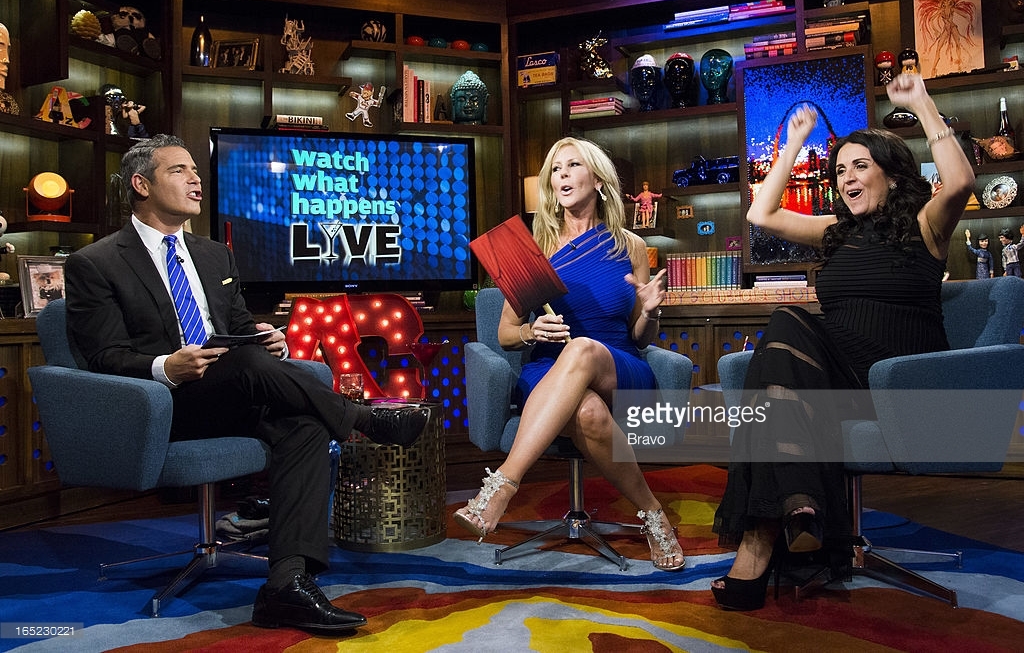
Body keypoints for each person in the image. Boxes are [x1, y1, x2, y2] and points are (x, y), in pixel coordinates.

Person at [64, 134, 431, 633]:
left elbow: (237, 327)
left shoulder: (215, 255)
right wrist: (167, 366)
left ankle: (286, 585)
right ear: (141, 185)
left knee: (303, 424)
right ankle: (364, 418)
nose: (196, 179)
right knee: (249, 366)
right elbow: (103, 356)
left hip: (231, 390)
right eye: (179, 170)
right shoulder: (97, 262)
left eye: (196, 170)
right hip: (161, 404)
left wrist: (266, 336)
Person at [711, 72, 974, 611]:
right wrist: (792, 145)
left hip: (898, 376)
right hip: (835, 372)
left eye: (860, 166)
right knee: (787, 323)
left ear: (893, 177)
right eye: (839, 170)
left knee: (785, 335)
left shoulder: (926, 224)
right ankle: (797, 511)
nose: (846, 178)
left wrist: (923, 104)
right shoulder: (835, 231)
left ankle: (760, 543)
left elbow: (961, 181)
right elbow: (761, 214)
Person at [452, 136, 685, 571]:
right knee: (587, 412)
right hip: (547, 369)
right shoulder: (535, 248)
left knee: (581, 349)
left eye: (572, 165)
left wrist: (651, 312)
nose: (562, 175)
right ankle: (654, 517)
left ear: (597, 179)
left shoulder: (630, 246)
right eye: (555, 169)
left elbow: (639, 337)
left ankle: (502, 485)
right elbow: (505, 334)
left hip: (617, 364)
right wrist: (530, 330)